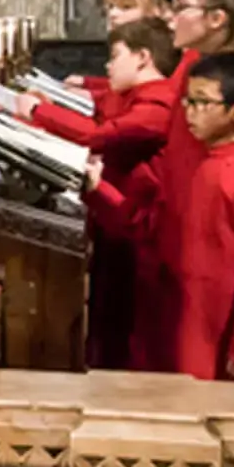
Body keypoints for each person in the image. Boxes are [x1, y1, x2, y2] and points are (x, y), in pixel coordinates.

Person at [91, 52, 234, 381]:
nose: (188, 112)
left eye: (201, 102)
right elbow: (150, 224)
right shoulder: (188, 169)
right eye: (187, 100)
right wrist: (98, 189)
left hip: (219, 330)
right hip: (174, 314)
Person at [39, 19, 180, 369]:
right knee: (106, 318)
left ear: (143, 57)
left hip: (137, 229)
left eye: (115, 56)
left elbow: (102, 135)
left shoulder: (159, 103)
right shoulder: (138, 95)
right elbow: (105, 106)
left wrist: (39, 111)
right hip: (114, 216)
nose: (108, 64)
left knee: (124, 329)